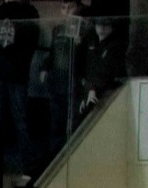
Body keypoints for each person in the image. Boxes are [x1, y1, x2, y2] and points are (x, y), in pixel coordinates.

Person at [0, 0, 43, 188]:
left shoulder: (29, 12)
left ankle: (29, 166)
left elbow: (30, 43)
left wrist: (18, 67)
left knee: (20, 122)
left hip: (15, 76)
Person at [42, 0, 88, 156]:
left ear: (77, 7)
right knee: (56, 122)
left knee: (74, 122)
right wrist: (45, 68)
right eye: (64, 7)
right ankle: (54, 159)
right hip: (57, 81)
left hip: (75, 81)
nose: (67, 11)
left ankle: (74, 155)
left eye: (71, 7)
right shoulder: (57, 29)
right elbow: (52, 52)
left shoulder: (85, 28)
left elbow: (89, 57)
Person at [77, 6, 129, 118]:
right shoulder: (92, 44)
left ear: (112, 27)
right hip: (91, 93)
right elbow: (88, 71)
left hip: (108, 94)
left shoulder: (116, 46)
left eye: (106, 24)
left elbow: (106, 71)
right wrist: (86, 94)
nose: (102, 27)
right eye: (99, 24)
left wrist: (92, 89)